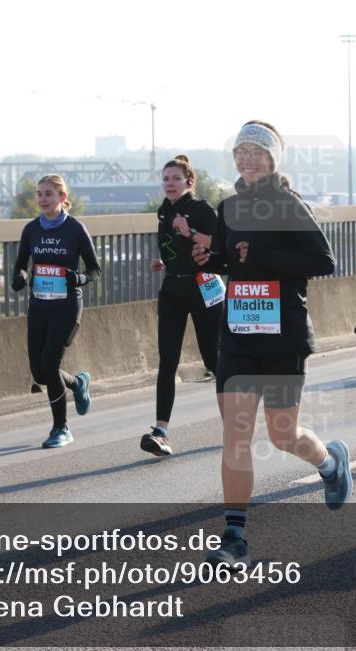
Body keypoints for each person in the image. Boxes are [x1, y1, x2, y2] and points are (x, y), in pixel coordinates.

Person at [193, 120, 352, 567]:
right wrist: (213, 257)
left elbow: (323, 260)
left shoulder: (288, 204)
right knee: (236, 434)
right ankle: (235, 536)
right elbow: (232, 257)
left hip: (282, 336)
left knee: (283, 435)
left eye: (256, 151)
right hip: (239, 334)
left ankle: (329, 463)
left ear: (272, 159)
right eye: (241, 151)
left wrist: (265, 259)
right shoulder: (228, 207)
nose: (247, 158)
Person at [141, 155, 224, 456]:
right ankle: (161, 431)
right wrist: (162, 262)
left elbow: (219, 243)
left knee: (212, 359)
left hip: (203, 287)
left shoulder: (201, 209)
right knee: (168, 360)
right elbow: (175, 247)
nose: (169, 184)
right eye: (165, 179)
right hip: (173, 288)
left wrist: (189, 231)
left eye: (175, 178)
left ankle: (235, 422)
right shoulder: (164, 211)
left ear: (189, 181)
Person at [11, 174, 101, 448]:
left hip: (66, 306)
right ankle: (77, 383)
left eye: (48, 194)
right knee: (40, 374)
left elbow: (94, 270)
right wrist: (20, 277)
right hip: (39, 305)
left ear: (62, 197)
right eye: (39, 194)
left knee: (51, 366)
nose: (42, 199)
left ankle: (61, 429)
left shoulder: (75, 229)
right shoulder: (31, 230)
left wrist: (80, 278)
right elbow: (21, 264)